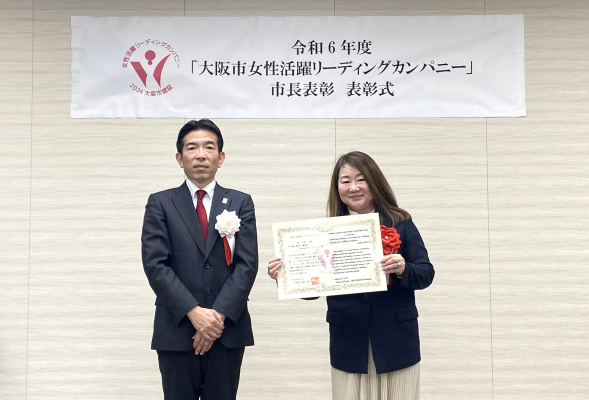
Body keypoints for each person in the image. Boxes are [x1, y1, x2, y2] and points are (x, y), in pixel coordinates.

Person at [268, 151, 434, 400]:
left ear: (374, 182)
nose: (353, 187)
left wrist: (402, 268)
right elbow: (313, 291)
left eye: (361, 179)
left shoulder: (400, 221)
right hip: (348, 339)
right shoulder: (325, 231)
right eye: (345, 181)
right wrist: (286, 275)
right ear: (337, 188)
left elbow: (426, 273)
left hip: (396, 338)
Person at [141, 119, 258, 400]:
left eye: (209, 147)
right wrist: (194, 313)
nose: (201, 155)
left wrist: (216, 318)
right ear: (180, 159)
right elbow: (155, 264)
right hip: (177, 328)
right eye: (192, 148)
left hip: (226, 329)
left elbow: (246, 264)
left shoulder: (240, 202)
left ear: (221, 157)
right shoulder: (161, 203)